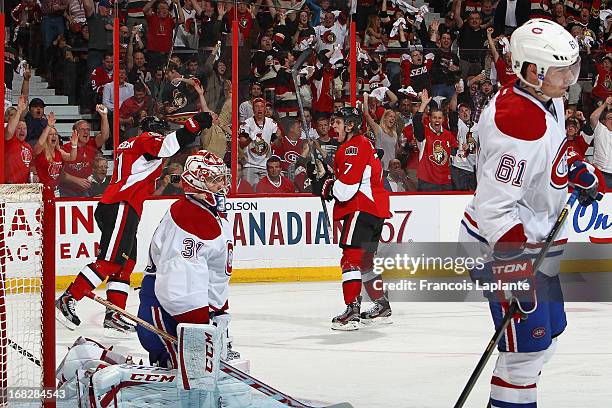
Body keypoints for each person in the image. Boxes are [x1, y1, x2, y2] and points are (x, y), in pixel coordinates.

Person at [458, 19, 604, 407]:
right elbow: (494, 209)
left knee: (548, 335)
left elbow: (554, 148)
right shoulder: (517, 124)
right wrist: (515, 272)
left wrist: (574, 167)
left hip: (536, 248)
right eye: (563, 70)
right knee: (524, 355)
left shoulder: (544, 95)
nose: (572, 78)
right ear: (532, 71)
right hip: (503, 250)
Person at [56, 112, 214, 334]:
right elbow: (168, 146)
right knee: (111, 261)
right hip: (121, 205)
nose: (162, 136)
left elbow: (146, 172)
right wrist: (195, 125)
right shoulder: (146, 139)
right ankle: (68, 298)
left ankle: (114, 314)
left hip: (122, 207)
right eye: (161, 133)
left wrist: (182, 179)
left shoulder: (133, 147)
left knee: (125, 263)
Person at [137, 150, 239, 367]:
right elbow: (178, 287)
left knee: (200, 375)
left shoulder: (211, 215)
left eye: (222, 178)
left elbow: (217, 273)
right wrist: (201, 330)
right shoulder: (187, 217)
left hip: (189, 311)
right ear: (197, 184)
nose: (222, 184)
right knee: (186, 377)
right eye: (214, 180)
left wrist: (220, 315)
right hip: (165, 313)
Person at [309, 107, 392, 331]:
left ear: (350, 125)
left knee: (351, 260)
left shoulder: (353, 147)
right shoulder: (360, 145)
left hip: (361, 208)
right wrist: (329, 177)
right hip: (376, 210)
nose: (333, 126)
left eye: (337, 121)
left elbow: (345, 191)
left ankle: (353, 311)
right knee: (365, 262)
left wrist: (325, 185)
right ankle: (382, 306)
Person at [32, 112, 79, 195]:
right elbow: (39, 144)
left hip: (55, 191)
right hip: (41, 191)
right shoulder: (40, 151)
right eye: (50, 134)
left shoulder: (59, 152)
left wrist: (74, 145)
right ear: (46, 137)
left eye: (55, 134)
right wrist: (48, 126)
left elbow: (72, 157)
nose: (54, 136)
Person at [589, 96, 612, 188]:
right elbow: (593, 117)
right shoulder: (601, 130)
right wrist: (605, 104)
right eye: (610, 118)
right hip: (602, 174)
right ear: (604, 121)